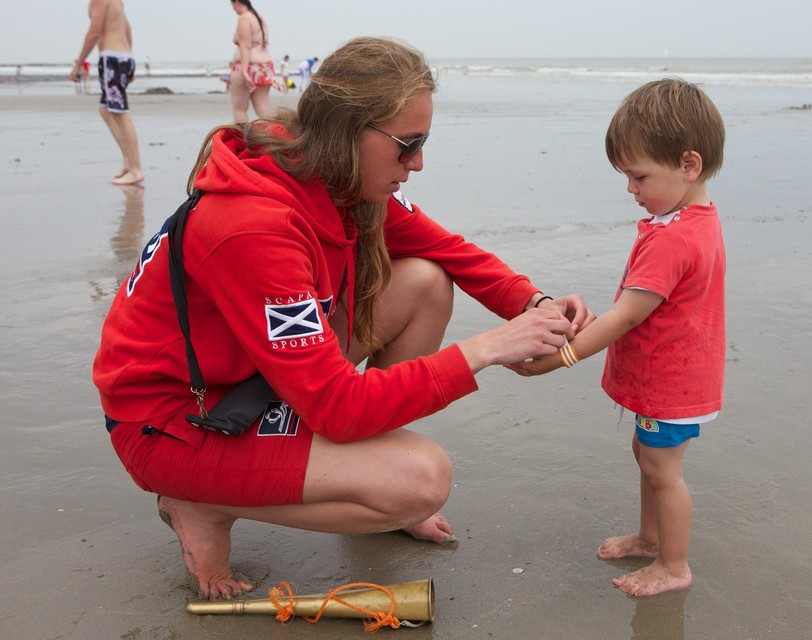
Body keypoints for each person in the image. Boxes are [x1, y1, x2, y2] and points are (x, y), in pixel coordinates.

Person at [92, 36, 595, 600]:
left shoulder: (341, 177)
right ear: (345, 130)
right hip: (175, 422)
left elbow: (448, 249)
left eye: (423, 142)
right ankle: (200, 502)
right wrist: (488, 349)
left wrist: (534, 304)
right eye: (408, 144)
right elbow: (334, 408)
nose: (419, 162)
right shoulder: (255, 225)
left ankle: (364, 473)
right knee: (423, 480)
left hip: (247, 378)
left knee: (426, 282)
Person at [510, 78, 726, 597]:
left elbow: (626, 316)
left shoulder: (673, 239)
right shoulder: (695, 218)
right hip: (678, 373)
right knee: (646, 454)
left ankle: (674, 565)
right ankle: (651, 538)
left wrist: (558, 357)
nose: (630, 188)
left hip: (669, 380)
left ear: (688, 165)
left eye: (638, 176)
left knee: (661, 467)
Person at [69, 0, 144, 185]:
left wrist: (79, 63)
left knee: (120, 114)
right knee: (105, 109)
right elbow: (128, 28)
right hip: (123, 57)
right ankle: (128, 161)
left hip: (112, 59)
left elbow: (94, 33)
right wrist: (129, 61)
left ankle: (136, 170)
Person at [228, 0, 278, 122]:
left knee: (240, 109)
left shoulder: (244, 18)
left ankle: (241, 139)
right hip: (264, 67)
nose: (233, 9)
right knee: (263, 108)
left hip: (248, 66)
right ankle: (276, 137)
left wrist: (244, 71)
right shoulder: (259, 17)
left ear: (237, 2)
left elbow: (245, 46)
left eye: (233, 5)